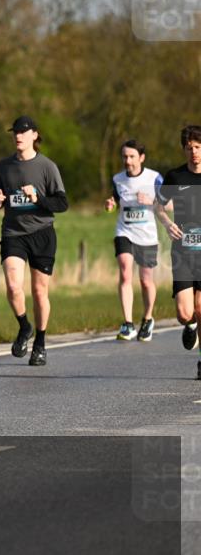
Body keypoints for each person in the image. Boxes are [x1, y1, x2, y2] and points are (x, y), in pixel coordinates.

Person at [0, 116, 68, 367]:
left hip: (42, 233)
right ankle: (25, 326)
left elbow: (62, 204)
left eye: (24, 132)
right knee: (14, 287)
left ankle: (41, 343)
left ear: (35, 135)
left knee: (38, 290)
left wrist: (38, 198)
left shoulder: (47, 166)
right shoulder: (4, 166)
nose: (18, 136)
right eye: (15, 132)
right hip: (13, 233)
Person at [154, 124, 201, 379]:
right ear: (184, 150)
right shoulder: (175, 177)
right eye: (189, 148)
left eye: (198, 147)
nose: (194, 153)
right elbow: (157, 206)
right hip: (183, 251)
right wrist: (168, 224)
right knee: (185, 313)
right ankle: (190, 325)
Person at [105, 140, 162, 341]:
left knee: (146, 281)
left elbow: (170, 204)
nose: (127, 161)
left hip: (147, 235)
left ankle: (147, 318)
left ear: (141, 158)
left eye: (131, 157)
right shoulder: (117, 179)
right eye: (124, 157)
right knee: (125, 269)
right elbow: (115, 202)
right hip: (125, 230)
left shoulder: (154, 178)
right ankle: (128, 324)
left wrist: (151, 202)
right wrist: (110, 205)